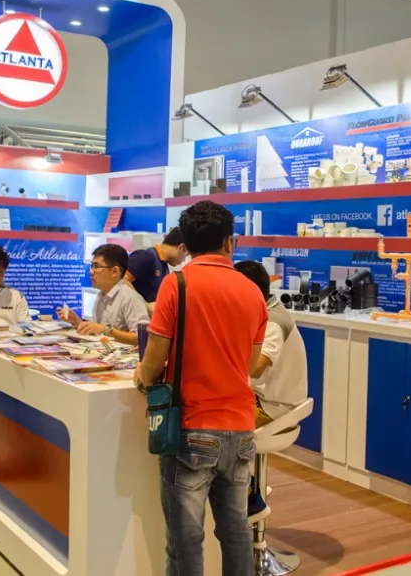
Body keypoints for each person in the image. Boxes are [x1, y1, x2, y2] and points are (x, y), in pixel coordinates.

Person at [135, 200, 268, 575]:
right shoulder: (253, 292)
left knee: (185, 541)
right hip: (240, 430)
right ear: (229, 242)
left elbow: (154, 359)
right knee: (236, 531)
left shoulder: (176, 284)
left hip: (192, 428)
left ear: (187, 245)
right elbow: (249, 364)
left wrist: (143, 377)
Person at [235, 260, 308, 524]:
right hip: (259, 398)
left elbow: (256, 368)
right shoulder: (261, 313)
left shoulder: (274, 322)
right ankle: (247, 485)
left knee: (215, 429)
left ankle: (249, 496)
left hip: (273, 407)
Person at [56, 244, 148, 346]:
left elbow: (142, 338)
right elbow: (96, 330)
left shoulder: (131, 298)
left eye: (96, 266)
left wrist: (106, 330)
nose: (91, 272)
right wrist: (77, 322)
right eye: (91, 266)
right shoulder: (101, 294)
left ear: (114, 271)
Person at [124, 227, 188, 311]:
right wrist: (145, 306)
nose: (183, 260)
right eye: (186, 256)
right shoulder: (146, 256)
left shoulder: (164, 266)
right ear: (181, 248)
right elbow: (122, 280)